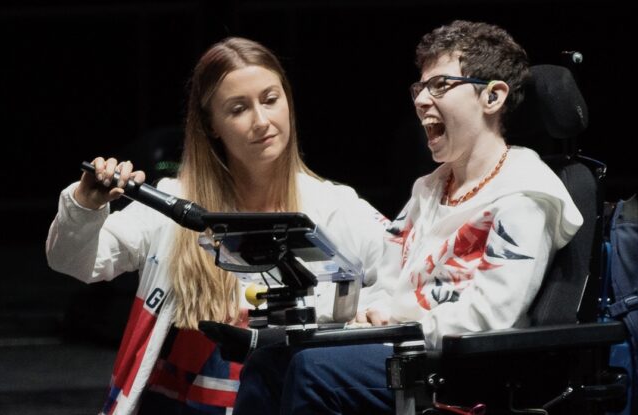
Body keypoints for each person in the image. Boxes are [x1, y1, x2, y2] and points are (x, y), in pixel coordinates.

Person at [232, 20, 585, 415]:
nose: (421, 100)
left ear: (493, 96)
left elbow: (491, 316)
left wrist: (395, 318)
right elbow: (386, 284)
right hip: (399, 346)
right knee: (268, 363)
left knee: (314, 370)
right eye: (420, 87)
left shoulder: (525, 194)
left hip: (458, 371)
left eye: (440, 86)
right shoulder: (429, 190)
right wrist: (297, 316)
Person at [45, 37, 390, 415]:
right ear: (211, 125)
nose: (262, 121)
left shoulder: (335, 207)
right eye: (239, 108)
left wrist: (367, 308)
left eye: (271, 99)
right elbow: (76, 261)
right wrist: (84, 204)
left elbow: (408, 274)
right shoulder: (173, 205)